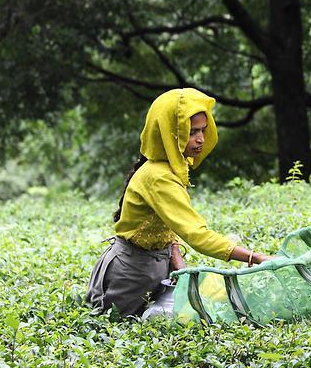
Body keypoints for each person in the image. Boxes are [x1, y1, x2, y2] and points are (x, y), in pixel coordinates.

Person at [86, 88, 272, 318]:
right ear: (170, 133)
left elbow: (168, 227)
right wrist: (256, 257)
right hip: (129, 278)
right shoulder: (159, 177)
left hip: (156, 269)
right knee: (121, 327)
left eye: (203, 130)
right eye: (192, 131)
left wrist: (179, 268)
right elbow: (197, 235)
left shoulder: (171, 168)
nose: (201, 138)